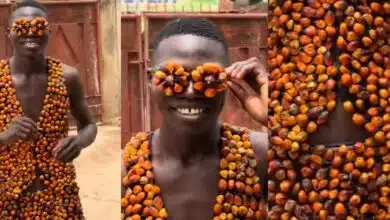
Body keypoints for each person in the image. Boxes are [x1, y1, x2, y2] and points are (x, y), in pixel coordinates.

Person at [121, 18, 268, 220]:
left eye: (208, 78)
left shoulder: (260, 157)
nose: (190, 92)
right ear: (149, 80)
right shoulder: (128, 170)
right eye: (171, 78)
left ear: (229, 80)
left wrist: (275, 117)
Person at [0, 0, 97, 218]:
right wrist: (5, 137)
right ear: (9, 33)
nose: (31, 33)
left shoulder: (67, 76)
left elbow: (89, 125)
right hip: (8, 197)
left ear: (49, 32)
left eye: (39, 27)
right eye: (22, 27)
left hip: (59, 195)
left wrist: (79, 141)